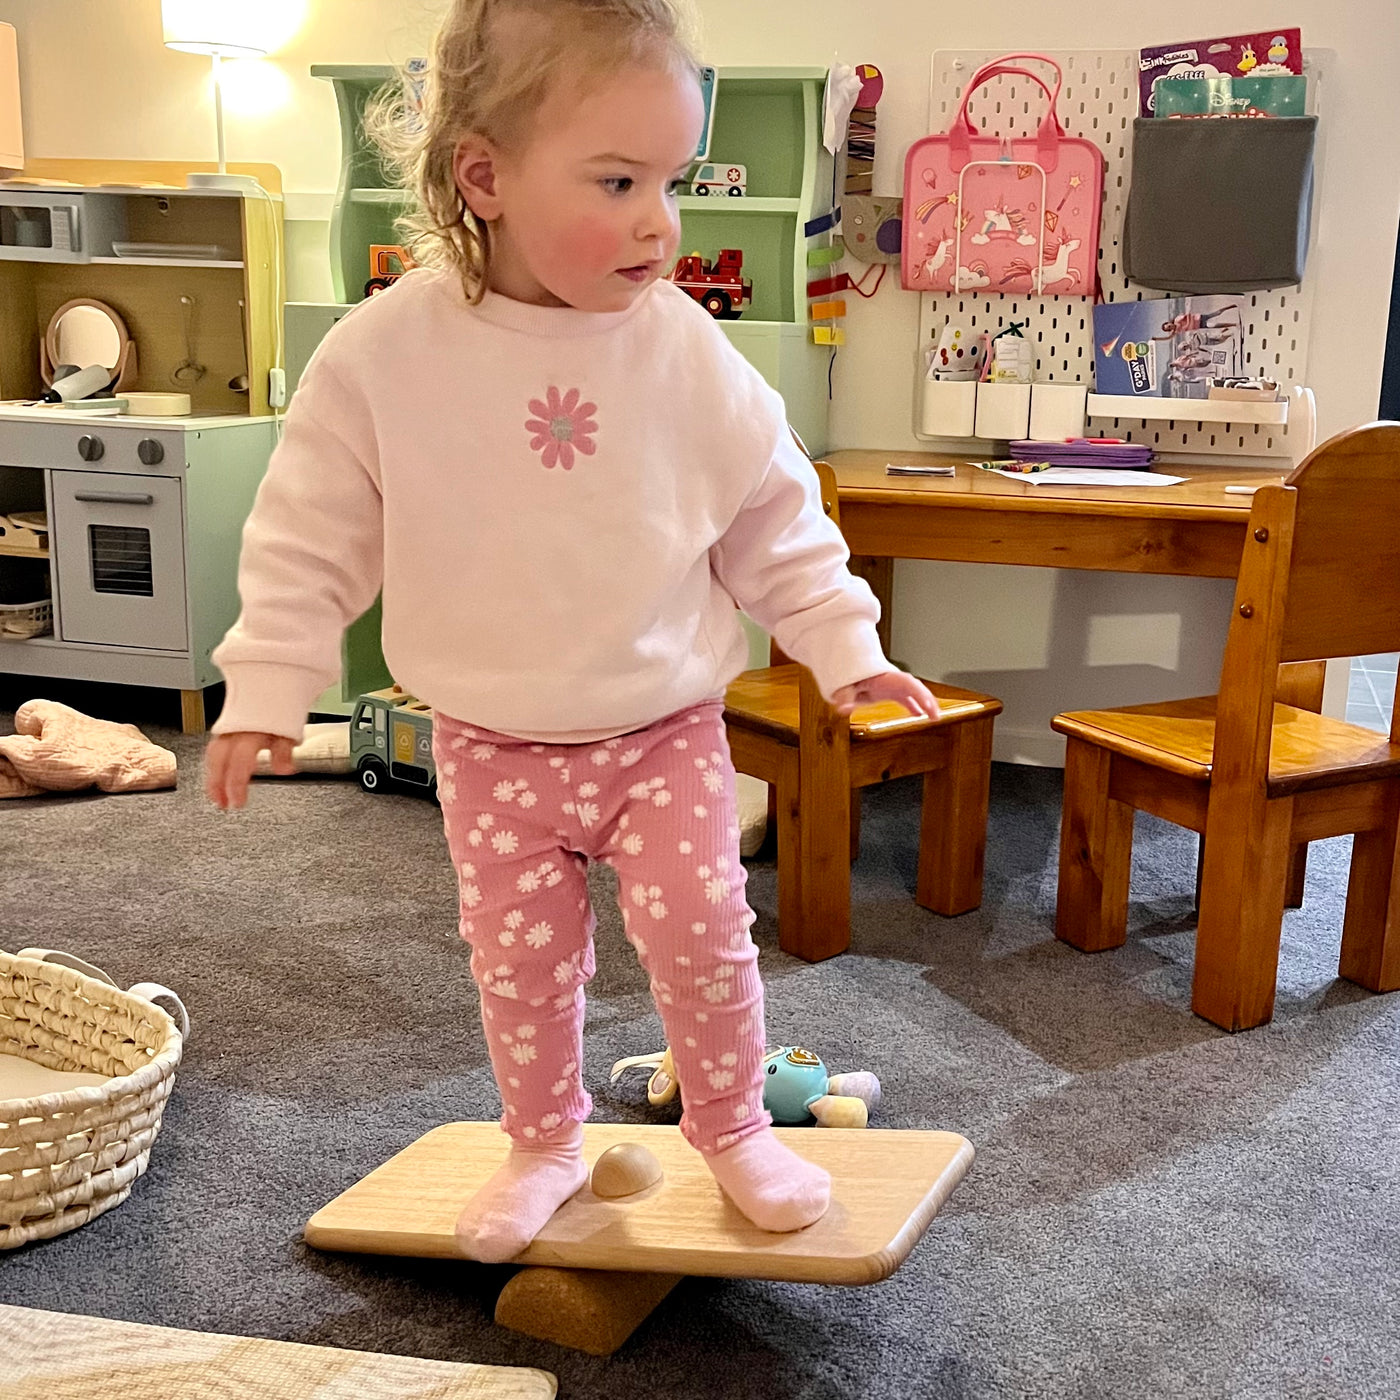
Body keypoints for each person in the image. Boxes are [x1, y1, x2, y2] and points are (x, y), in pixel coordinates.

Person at [204, 0, 936, 1263]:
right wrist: (270, 675)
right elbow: (310, 524)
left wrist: (843, 644)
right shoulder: (387, 352)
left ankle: (731, 1126)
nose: (662, 220)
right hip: (489, 743)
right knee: (519, 965)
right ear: (481, 175)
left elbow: (774, 511)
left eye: (675, 179)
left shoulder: (685, 353)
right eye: (617, 179)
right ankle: (542, 1140)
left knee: (703, 933)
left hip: (661, 728)